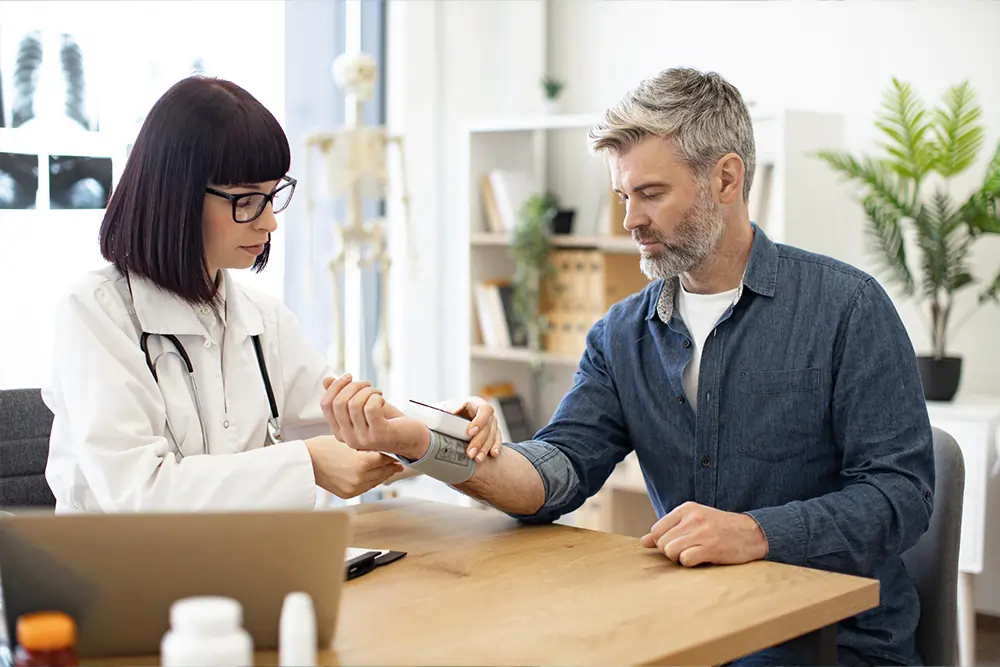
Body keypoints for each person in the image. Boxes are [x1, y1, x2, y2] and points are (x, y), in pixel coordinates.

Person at [323, 67, 936, 666]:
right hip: (691, 622)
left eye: (650, 193)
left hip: (833, 639)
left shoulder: (847, 308)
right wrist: (427, 443)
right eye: (622, 196)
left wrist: (756, 532)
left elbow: (900, 496)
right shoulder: (621, 334)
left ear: (725, 178)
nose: (629, 221)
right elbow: (556, 473)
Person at [42, 76, 498, 513]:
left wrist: (447, 428)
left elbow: (358, 436)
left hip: (250, 568)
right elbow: (139, 494)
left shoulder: (263, 320)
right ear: (177, 195)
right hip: (120, 583)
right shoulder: (95, 314)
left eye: (272, 195)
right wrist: (309, 463)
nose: (269, 222)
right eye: (246, 200)